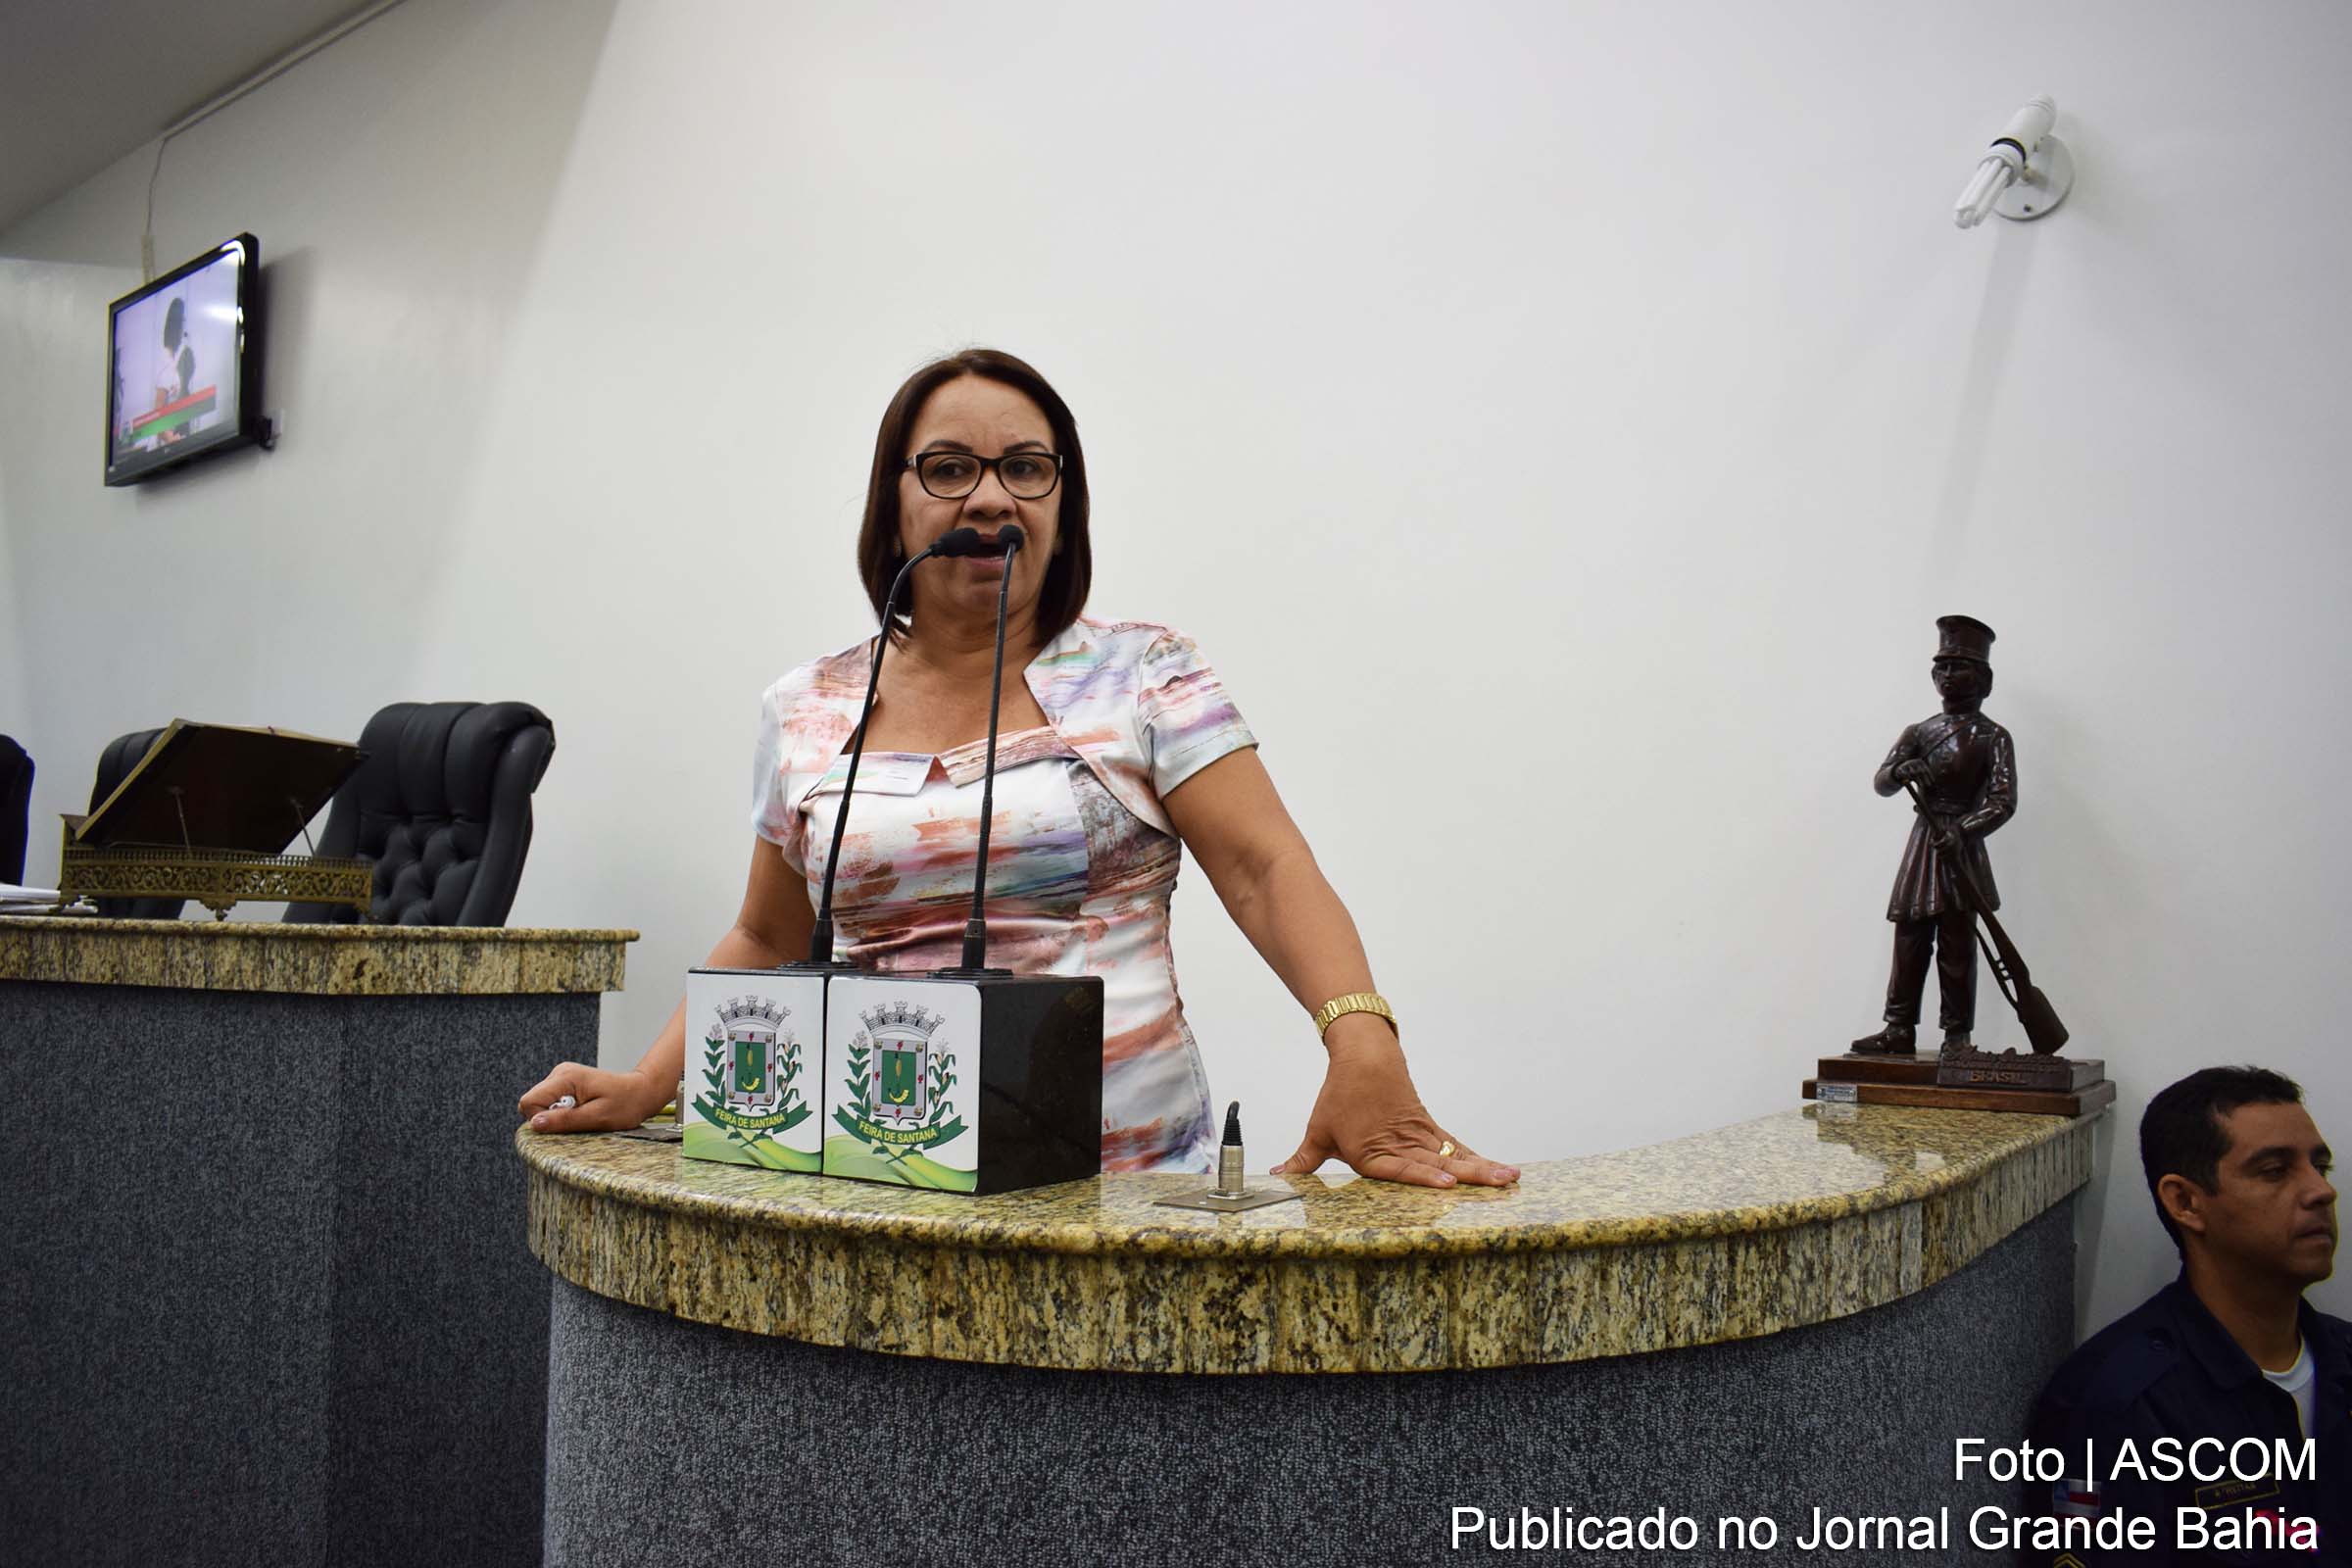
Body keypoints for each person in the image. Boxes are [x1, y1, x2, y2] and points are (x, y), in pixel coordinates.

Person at [520, 348, 1516, 1189]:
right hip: (881, 1180)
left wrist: (1361, 1038)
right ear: (896, 501)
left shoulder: (1142, 671)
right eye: (949, 467)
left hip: (1121, 1186)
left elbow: (1265, 870)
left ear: (1061, 498)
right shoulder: (807, 706)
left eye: (1026, 466)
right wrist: (648, 1082)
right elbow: (766, 932)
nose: (990, 493)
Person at [2018, 1067, 2345, 1563]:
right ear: (2186, 1202)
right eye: (2275, 1170)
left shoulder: (2342, 1358)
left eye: (2318, 1166)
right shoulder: (2119, 1405)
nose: (2321, 1192)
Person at [1851, 614, 2015, 1055]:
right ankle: (1899, 1027)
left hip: (1960, 849)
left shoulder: (1993, 736)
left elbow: (2003, 802)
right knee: (1909, 939)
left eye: (1958, 667)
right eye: (1941, 668)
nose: (1947, 676)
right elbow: (1882, 781)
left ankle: (1956, 1036)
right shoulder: (1919, 732)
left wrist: (1964, 829)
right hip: (1924, 846)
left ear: (1982, 679)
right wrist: (1900, 769)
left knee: (1957, 946)